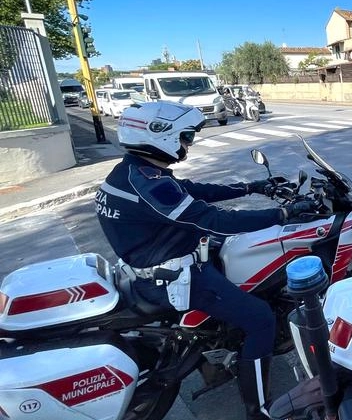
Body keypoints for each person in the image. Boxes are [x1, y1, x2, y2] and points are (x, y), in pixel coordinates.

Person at [96, 101, 310, 419]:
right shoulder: (147, 184)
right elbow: (214, 220)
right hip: (176, 278)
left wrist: (252, 187)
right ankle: (259, 409)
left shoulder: (134, 172)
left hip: (159, 263)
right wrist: (283, 214)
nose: (188, 144)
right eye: (185, 137)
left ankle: (226, 344)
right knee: (261, 318)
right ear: (161, 136)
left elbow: (191, 191)